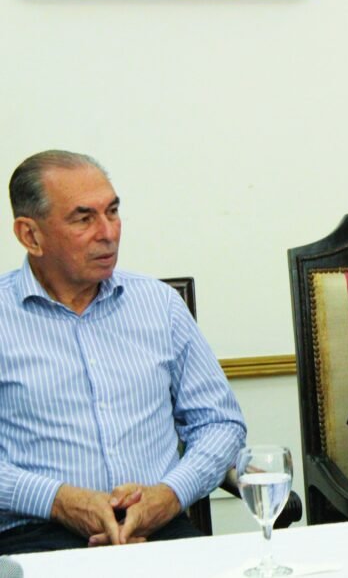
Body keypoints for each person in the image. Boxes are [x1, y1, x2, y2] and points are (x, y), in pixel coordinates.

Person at [0, 150, 246, 553]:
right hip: (36, 537)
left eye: (112, 212)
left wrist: (170, 494)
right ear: (30, 235)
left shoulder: (159, 305)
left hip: (160, 530)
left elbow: (220, 423)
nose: (108, 233)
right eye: (84, 219)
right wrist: (59, 501)